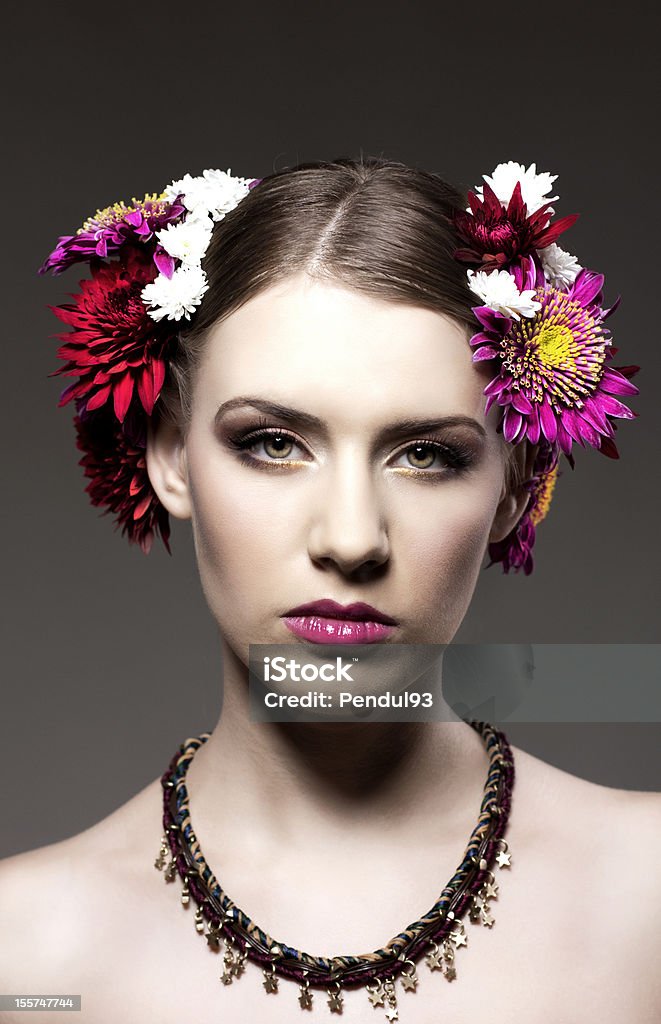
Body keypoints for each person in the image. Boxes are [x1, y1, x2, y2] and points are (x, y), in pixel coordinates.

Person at [1, 157, 659, 1024]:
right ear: (168, 456)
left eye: (426, 454)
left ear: (512, 486)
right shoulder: (27, 955)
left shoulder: (646, 900)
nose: (350, 539)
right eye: (273, 443)